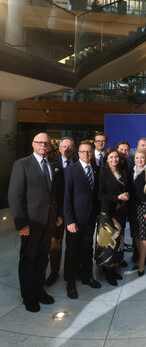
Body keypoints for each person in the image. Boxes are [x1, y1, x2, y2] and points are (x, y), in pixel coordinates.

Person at [8, 132, 61, 313]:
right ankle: (28, 296)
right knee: (28, 259)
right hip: (30, 223)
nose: (43, 146)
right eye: (39, 142)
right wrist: (21, 223)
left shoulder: (52, 165)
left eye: (46, 143)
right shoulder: (21, 164)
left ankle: (39, 291)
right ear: (33, 144)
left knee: (42, 258)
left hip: (47, 222)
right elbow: (15, 196)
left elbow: (52, 195)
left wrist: (56, 215)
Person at [64, 140, 101, 299]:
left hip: (90, 218)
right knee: (72, 251)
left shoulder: (96, 169)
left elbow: (95, 195)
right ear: (78, 153)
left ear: (92, 154)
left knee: (87, 249)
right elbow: (66, 197)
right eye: (83, 151)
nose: (86, 154)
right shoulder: (71, 170)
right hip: (75, 220)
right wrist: (69, 220)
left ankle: (87, 276)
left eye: (89, 152)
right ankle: (70, 283)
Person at [46, 137, 77, 287]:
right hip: (57, 213)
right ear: (59, 148)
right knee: (56, 244)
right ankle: (54, 271)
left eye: (70, 147)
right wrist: (57, 213)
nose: (67, 149)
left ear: (74, 149)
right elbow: (52, 192)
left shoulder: (78, 164)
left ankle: (71, 271)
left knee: (72, 244)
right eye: (64, 146)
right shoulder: (52, 164)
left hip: (74, 213)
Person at [96, 148, 129, 285]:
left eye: (116, 157)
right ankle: (108, 271)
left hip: (120, 213)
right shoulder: (103, 173)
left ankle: (114, 266)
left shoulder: (123, 172)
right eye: (111, 157)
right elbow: (100, 195)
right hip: (107, 214)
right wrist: (117, 197)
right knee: (107, 244)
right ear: (106, 160)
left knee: (118, 243)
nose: (114, 160)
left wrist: (125, 196)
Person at [128, 137, 146, 263]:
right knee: (135, 230)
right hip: (133, 205)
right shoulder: (130, 163)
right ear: (138, 146)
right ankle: (137, 253)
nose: (145, 147)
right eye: (142, 145)